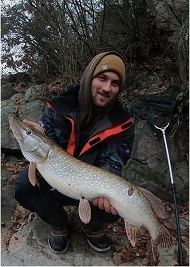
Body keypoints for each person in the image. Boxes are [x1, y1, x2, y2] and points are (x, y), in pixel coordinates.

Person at [14, 51, 135, 254]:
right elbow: (46, 147)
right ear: (89, 78)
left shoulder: (122, 122)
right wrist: (41, 136)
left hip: (91, 188)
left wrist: (105, 188)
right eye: (102, 78)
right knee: (25, 186)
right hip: (57, 181)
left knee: (117, 205)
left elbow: (113, 160)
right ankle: (59, 223)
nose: (107, 88)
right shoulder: (58, 106)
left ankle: (91, 226)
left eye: (115, 83)